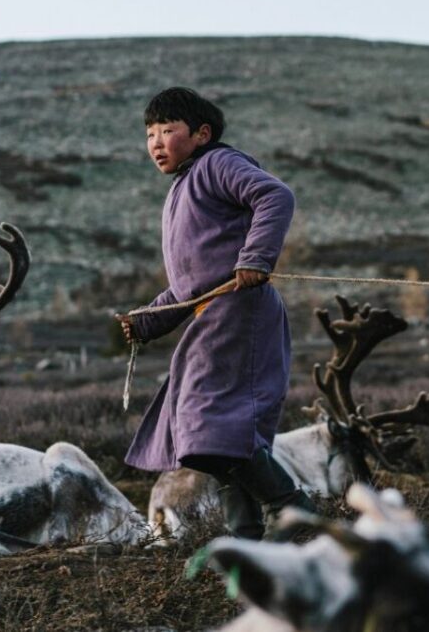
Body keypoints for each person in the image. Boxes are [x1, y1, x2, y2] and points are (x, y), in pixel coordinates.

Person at [116, 86, 314, 540]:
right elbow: (189, 287)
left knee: (212, 427)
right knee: (215, 441)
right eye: (149, 133)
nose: (156, 142)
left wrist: (255, 258)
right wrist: (146, 320)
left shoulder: (216, 165)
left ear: (202, 134)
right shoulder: (179, 189)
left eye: (168, 130)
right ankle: (246, 545)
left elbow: (275, 196)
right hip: (212, 318)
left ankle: (301, 517)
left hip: (241, 312)